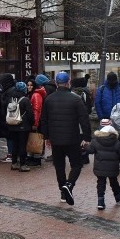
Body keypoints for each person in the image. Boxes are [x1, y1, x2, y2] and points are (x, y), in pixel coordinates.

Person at [39, 71, 90, 205]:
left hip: (55, 139)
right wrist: (86, 137)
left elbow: (43, 120)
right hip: (72, 138)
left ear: (56, 83)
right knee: (77, 164)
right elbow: (84, 119)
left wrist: (46, 137)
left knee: (59, 166)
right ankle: (69, 184)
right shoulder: (75, 99)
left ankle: (63, 191)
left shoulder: (49, 99)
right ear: (68, 83)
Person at [83, 119, 120, 209]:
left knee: (101, 183)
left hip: (100, 167)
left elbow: (90, 150)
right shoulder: (116, 141)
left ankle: (100, 202)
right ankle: (118, 197)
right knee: (114, 182)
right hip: (112, 167)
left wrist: (85, 146)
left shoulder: (96, 140)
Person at [6, 81, 33, 172]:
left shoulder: (11, 99)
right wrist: (32, 123)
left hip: (12, 125)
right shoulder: (25, 100)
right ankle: (23, 165)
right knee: (22, 146)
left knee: (15, 144)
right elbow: (30, 114)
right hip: (23, 126)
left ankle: (14, 163)